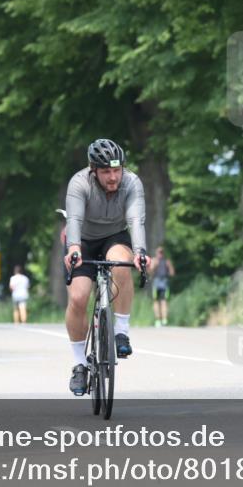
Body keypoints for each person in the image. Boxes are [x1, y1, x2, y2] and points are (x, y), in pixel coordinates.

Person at [64, 138, 148, 396]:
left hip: (115, 236)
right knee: (78, 297)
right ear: (93, 170)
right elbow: (75, 219)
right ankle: (79, 364)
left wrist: (140, 252)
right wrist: (74, 248)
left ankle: (121, 332)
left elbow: (135, 220)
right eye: (105, 172)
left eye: (116, 170)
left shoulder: (132, 182)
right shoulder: (79, 183)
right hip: (84, 240)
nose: (113, 177)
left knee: (121, 265)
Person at [148, 246, 175, 326]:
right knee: (156, 301)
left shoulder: (167, 261)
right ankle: (158, 319)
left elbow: (172, 273)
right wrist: (153, 266)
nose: (160, 254)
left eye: (162, 252)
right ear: (157, 253)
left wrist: (169, 267)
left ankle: (164, 319)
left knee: (164, 301)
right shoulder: (154, 260)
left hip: (164, 282)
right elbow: (150, 272)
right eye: (159, 252)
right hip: (156, 282)